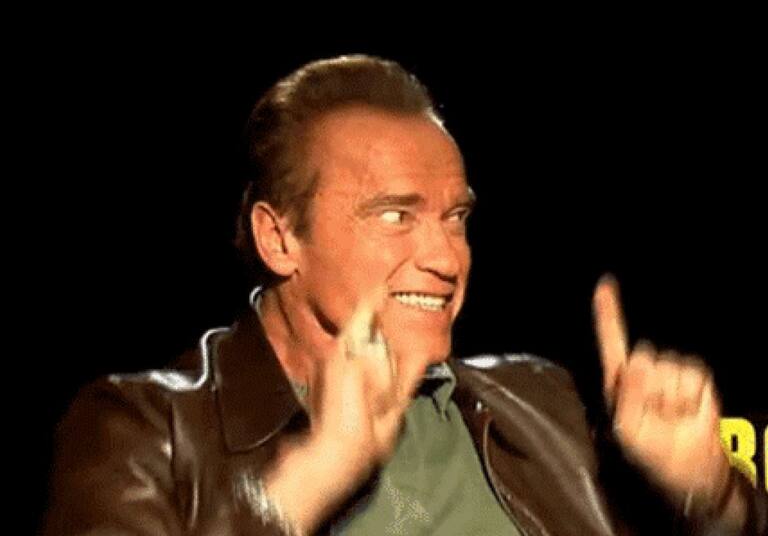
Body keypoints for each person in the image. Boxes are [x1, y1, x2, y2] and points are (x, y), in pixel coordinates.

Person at [43, 54, 767, 536]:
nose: (446, 258)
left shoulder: (541, 406)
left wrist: (709, 492)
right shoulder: (143, 430)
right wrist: (313, 476)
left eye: (457, 219)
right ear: (279, 238)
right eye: (395, 215)